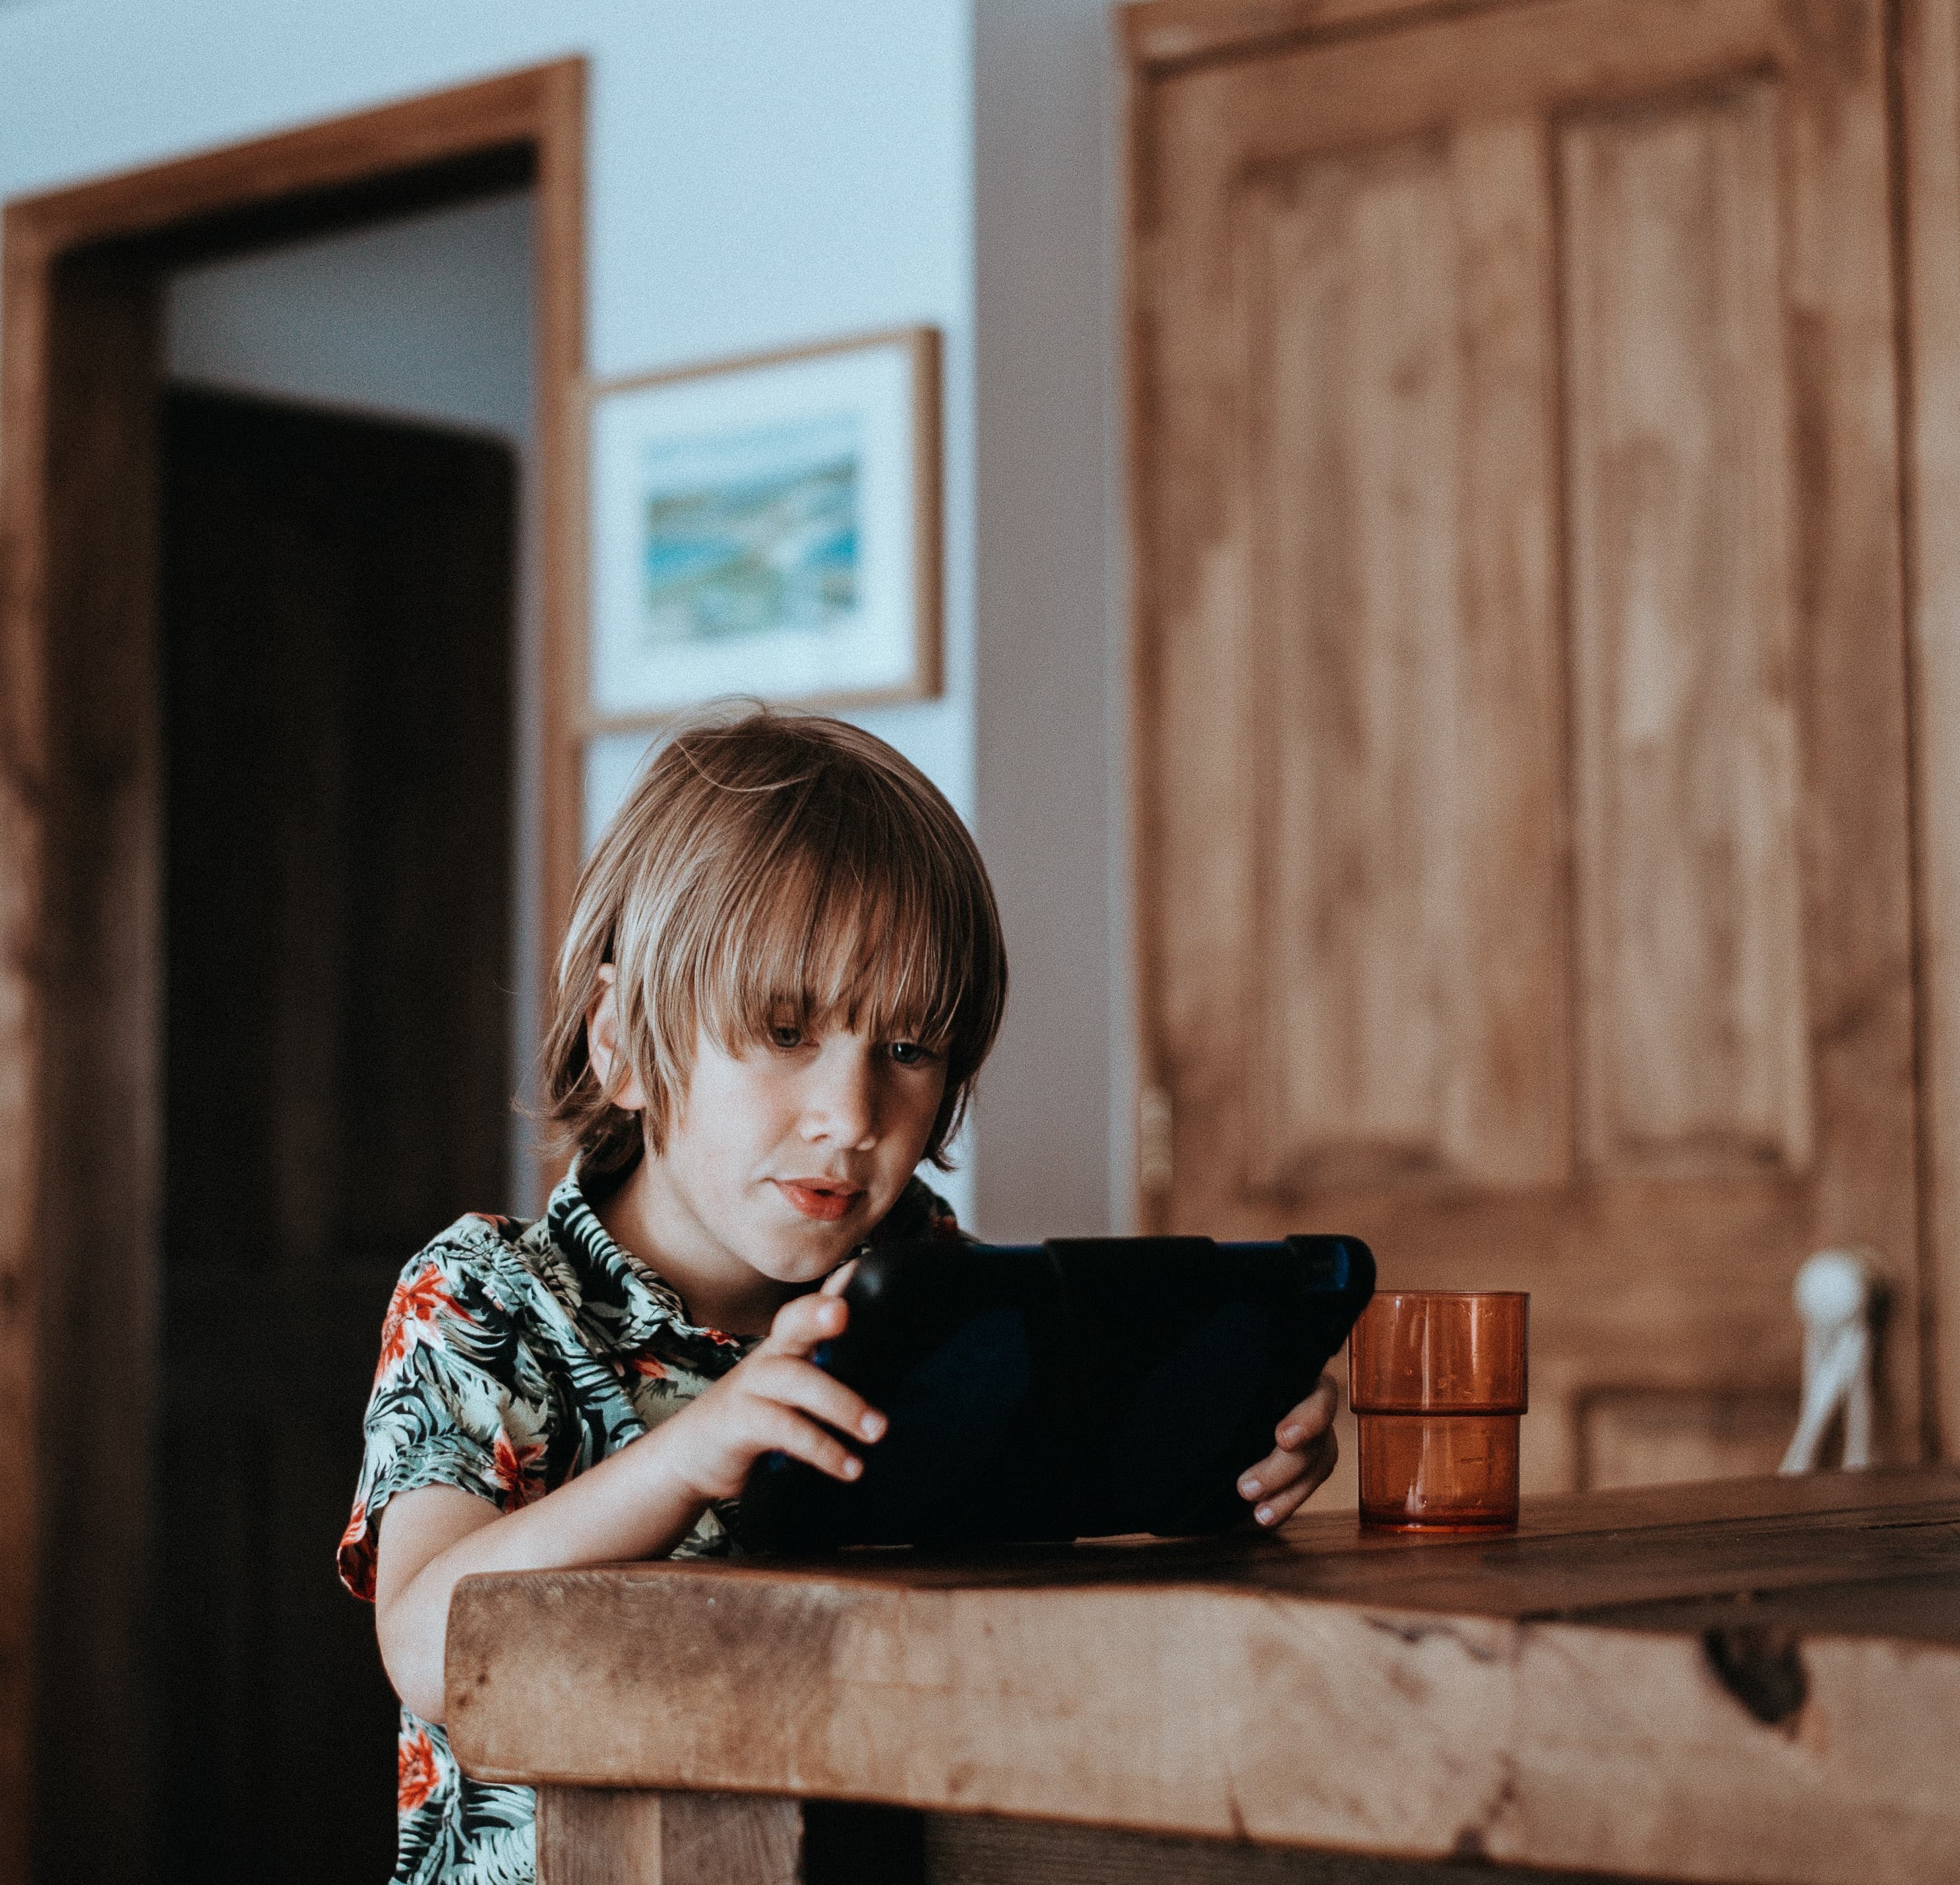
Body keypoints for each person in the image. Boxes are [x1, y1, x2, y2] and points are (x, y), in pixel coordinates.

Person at [338, 706, 1340, 1885]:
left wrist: (1214, 1449)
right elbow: (424, 1641)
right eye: (784, 1030)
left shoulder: (926, 1289)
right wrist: (689, 1453)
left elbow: (1024, 1581)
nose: (853, 1116)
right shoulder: (489, 1295)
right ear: (620, 1037)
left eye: (908, 1050)